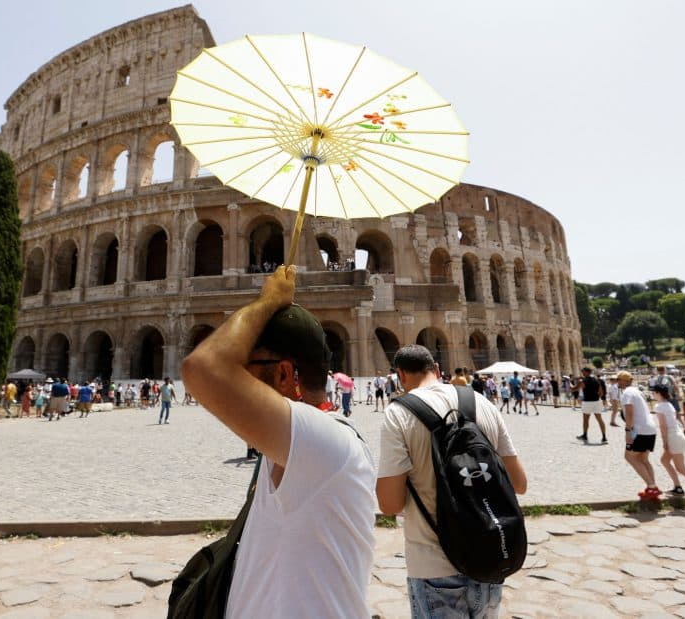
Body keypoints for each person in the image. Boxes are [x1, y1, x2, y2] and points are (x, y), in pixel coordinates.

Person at [180, 264, 375, 618]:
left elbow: (203, 369)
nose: (240, 379)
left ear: (284, 373)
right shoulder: (298, 447)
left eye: (247, 369)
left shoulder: (327, 443)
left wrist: (267, 302)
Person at [376, 344, 527, 618]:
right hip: (489, 554)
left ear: (400, 375)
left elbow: (389, 504)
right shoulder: (481, 402)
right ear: (436, 369)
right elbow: (519, 484)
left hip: (433, 564)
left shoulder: (398, 414)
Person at [618, 371, 660, 500]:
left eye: (618, 379)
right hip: (650, 428)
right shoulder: (637, 391)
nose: (617, 382)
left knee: (629, 457)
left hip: (639, 430)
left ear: (624, 381)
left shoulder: (627, 393)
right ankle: (653, 488)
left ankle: (652, 487)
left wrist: (628, 432)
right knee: (643, 459)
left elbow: (629, 413)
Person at [575, 367, 608, 444]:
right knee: (600, 419)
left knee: (586, 419)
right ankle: (604, 437)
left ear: (586, 372)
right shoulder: (597, 380)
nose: (582, 373)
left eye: (583, 371)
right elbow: (601, 393)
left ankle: (585, 435)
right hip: (596, 401)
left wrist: (569, 382)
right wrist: (595, 397)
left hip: (587, 402)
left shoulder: (582, 381)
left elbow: (573, 389)